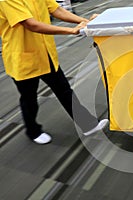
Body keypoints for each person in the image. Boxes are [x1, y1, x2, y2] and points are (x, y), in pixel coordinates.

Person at [0, 0, 108, 144]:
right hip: (22, 57)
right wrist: (71, 31)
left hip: (45, 54)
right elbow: (30, 24)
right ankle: (33, 131)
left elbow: (56, 10)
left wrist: (86, 21)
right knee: (29, 98)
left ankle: (88, 125)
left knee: (64, 90)